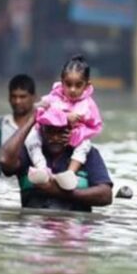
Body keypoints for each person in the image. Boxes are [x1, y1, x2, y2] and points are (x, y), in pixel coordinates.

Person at [0, 105, 113, 212]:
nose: (55, 137)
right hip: (34, 228)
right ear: (41, 131)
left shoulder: (87, 153)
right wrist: (31, 121)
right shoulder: (30, 151)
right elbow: (4, 160)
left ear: (71, 131)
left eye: (61, 132)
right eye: (50, 132)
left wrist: (58, 192)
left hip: (73, 231)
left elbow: (106, 195)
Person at [26, 54, 104, 191]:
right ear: (62, 82)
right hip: (48, 137)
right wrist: (64, 117)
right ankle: (41, 168)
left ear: (87, 85)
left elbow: (95, 127)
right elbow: (40, 114)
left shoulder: (88, 105)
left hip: (74, 137)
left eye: (78, 85)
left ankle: (70, 173)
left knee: (85, 144)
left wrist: (77, 134)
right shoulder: (54, 97)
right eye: (68, 84)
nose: (72, 90)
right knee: (31, 137)